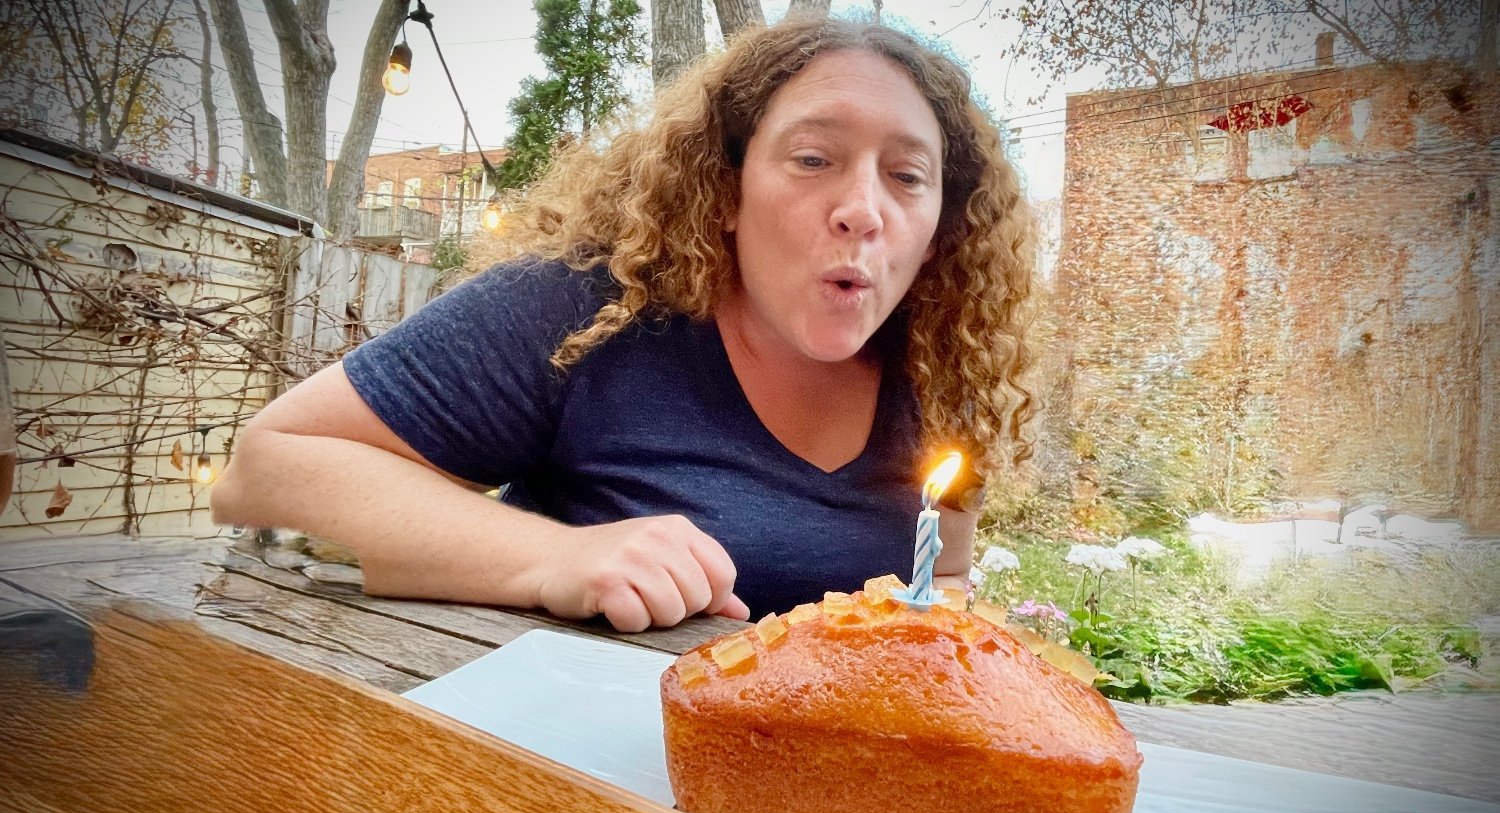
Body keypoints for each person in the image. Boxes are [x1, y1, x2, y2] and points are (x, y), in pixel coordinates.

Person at [210, 15, 1037, 632]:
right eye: (813, 158)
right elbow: (267, 471)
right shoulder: (588, 312)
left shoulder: (944, 372)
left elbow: (945, 577)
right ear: (726, 190)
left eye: (907, 176)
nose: (863, 209)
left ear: (941, 229)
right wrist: (556, 557)